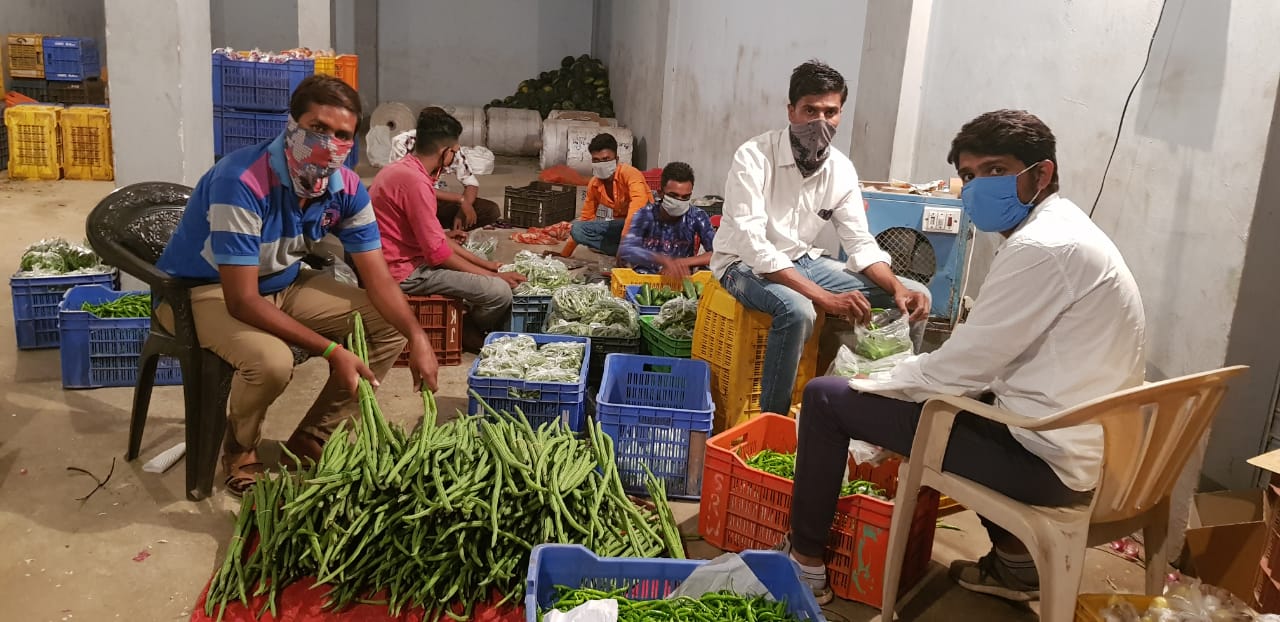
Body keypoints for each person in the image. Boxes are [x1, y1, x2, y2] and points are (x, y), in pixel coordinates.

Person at [778, 109, 1146, 605]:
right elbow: (983, 361)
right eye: (969, 176)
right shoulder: (1070, 228)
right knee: (966, 397)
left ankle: (805, 565)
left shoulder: (1042, 247)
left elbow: (960, 368)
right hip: (1088, 445)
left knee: (826, 398)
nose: (976, 188)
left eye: (995, 170)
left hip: (1048, 461)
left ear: (1042, 173)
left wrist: (880, 379)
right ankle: (1017, 566)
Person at [154, 74, 440, 496]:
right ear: (292, 124)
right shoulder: (242, 180)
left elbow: (378, 277)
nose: (329, 143)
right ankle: (239, 448)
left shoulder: (345, 187)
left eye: (342, 135)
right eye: (318, 128)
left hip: (284, 282)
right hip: (202, 292)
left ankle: (313, 437)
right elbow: (242, 299)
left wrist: (417, 335)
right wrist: (331, 350)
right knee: (270, 363)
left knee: (387, 323)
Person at [711, 60, 931, 417]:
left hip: (803, 260)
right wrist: (826, 299)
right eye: (809, 110)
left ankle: (885, 401)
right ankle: (773, 420)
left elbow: (860, 242)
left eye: (830, 112)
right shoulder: (754, 157)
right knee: (797, 310)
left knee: (916, 297)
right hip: (741, 264)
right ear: (791, 111)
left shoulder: (841, 170)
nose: (820, 122)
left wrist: (896, 287)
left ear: (841, 114)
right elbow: (753, 244)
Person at [370, 108, 526, 348]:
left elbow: (439, 241)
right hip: (404, 273)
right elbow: (438, 253)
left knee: (479, 263)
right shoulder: (415, 182)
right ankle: (467, 329)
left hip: (400, 259)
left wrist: (487, 265)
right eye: (454, 152)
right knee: (499, 293)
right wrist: (494, 276)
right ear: (445, 152)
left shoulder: (400, 169)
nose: (454, 157)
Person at [389, 117, 502, 231]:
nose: (457, 150)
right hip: (408, 203)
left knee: (489, 209)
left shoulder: (451, 149)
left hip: (432, 203)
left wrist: (462, 211)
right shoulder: (405, 146)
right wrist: (460, 199)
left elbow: (471, 182)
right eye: (453, 150)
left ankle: (436, 228)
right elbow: (411, 188)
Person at [617, 161, 715, 278]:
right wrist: (662, 260)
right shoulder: (646, 214)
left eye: (685, 197)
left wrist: (682, 263)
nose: (679, 201)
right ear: (661, 193)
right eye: (673, 196)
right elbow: (627, 249)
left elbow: (716, 253)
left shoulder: (697, 217)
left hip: (680, 280)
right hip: (645, 280)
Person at [565, 133, 652, 257]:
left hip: (644, 226)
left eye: (606, 159)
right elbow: (586, 218)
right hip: (620, 227)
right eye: (596, 160)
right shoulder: (594, 184)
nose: (601, 164)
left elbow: (638, 207)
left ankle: (630, 250)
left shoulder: (630, 173)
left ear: (616, 160)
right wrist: (564, 255)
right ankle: (630, 253)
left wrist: (624, 239)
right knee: (577, 229)